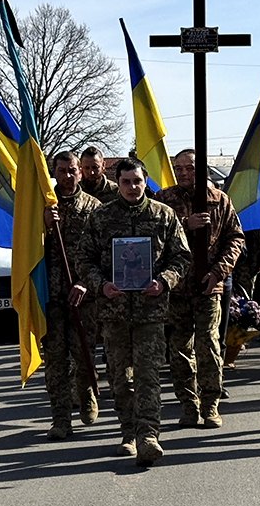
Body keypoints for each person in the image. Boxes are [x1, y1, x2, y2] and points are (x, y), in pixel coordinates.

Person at [79, 158, 191, 466]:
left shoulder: (163, 215)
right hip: (113, 313)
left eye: (137, 181)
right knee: (120, 379)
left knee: (148, 377)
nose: (132, 187)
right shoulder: (101, 217)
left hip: (151, 313)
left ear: (146, 181)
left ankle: (148, 436)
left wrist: (164, 281)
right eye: (126, 182)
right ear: (118, 182)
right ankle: (127, 430)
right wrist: (101, 285)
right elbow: (83, 259)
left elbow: (181, 258)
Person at [155, 149, 245, 428]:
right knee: (179, 349)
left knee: (209, 345)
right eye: (179, 168)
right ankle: (188, 404)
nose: (183, 173)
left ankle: (211, 404)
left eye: (189, 168)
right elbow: (153, 237)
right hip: (177, 289)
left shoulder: (220, 200)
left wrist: (218, 272)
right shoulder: (164, 200)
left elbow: (236, 239)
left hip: (208, 287)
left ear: (201, 168)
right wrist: (185, 224)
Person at [41, 151, 102, 440]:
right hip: (50, 296)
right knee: (55, 360)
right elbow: (25, 247)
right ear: (54, 172)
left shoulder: (94, 208)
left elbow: (104, 255)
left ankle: (87, 392)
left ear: (80, 172)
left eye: (72, 170)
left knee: (82, 353)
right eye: (62, 170)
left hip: (83, 297)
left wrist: (85, 283)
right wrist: (41, 223)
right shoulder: (43, 204)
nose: (67, 176)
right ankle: (60, 418)